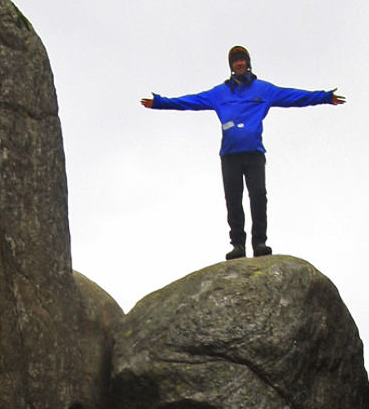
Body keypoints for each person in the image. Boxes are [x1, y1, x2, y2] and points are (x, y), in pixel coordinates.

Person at [142, 42, 344, 259]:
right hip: (230, 155)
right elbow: (190, 101)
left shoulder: (264, 90)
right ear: (231, 66)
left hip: (254, 153)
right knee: (233, 199)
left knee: (258, 196)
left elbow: (294, 96)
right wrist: (160, 103)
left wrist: (324, 97)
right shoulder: (219, 93)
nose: (239, 63)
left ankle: (259, 242)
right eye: (235, 61)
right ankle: (238, 245)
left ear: (248, 63)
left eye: (242, 60)